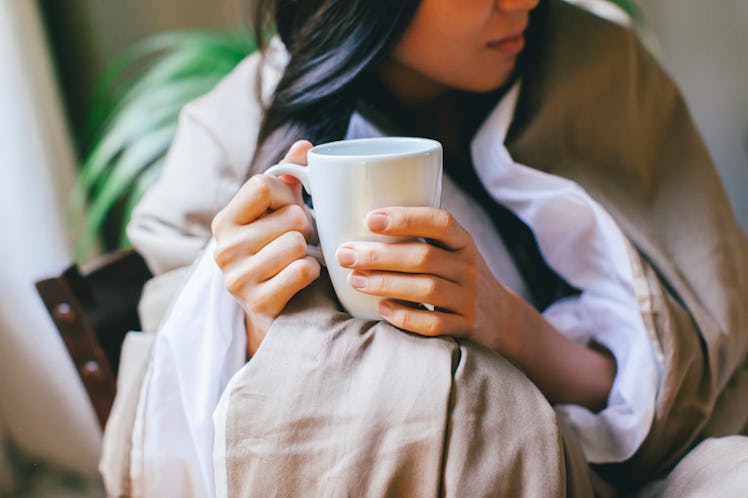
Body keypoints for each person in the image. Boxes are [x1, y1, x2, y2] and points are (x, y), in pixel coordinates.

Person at [100, 0, 748, 496]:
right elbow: (185, 425)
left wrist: (501, 320)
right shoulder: (234, 134)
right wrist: (249, 315)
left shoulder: (599, 69)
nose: (521, 2)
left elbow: (675, 395)